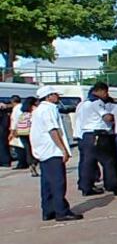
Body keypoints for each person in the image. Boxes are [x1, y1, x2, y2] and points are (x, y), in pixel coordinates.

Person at [31, 87, 81, 221]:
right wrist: (63, 149)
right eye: (55, 94)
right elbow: (53, 130)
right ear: (48, 96)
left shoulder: (38, 110)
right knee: (58, 182)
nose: (57, 97)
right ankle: (62, 211)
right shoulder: (49, 109)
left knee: (47, 183)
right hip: (52, 150)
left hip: (43, 150)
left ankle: (48, 210)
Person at [74, 82, 117, 196]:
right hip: (98, 135)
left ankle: (86, 187)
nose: (106, 94)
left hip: (85, 135)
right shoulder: (97, 102)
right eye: (105, 92)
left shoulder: (83, 103)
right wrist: (116, 116)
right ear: (99, 91)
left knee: (88, 163)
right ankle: (112, 185)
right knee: (109, 161)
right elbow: (107, 117)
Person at [11, 97, 37, 176]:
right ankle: (34, 162)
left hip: (22, 132)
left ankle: (30, 164)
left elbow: (14, 120)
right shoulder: (34, 110)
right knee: (34, 148)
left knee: (27, 149)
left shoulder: (22, 111)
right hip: (30, 132)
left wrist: (14, 131)